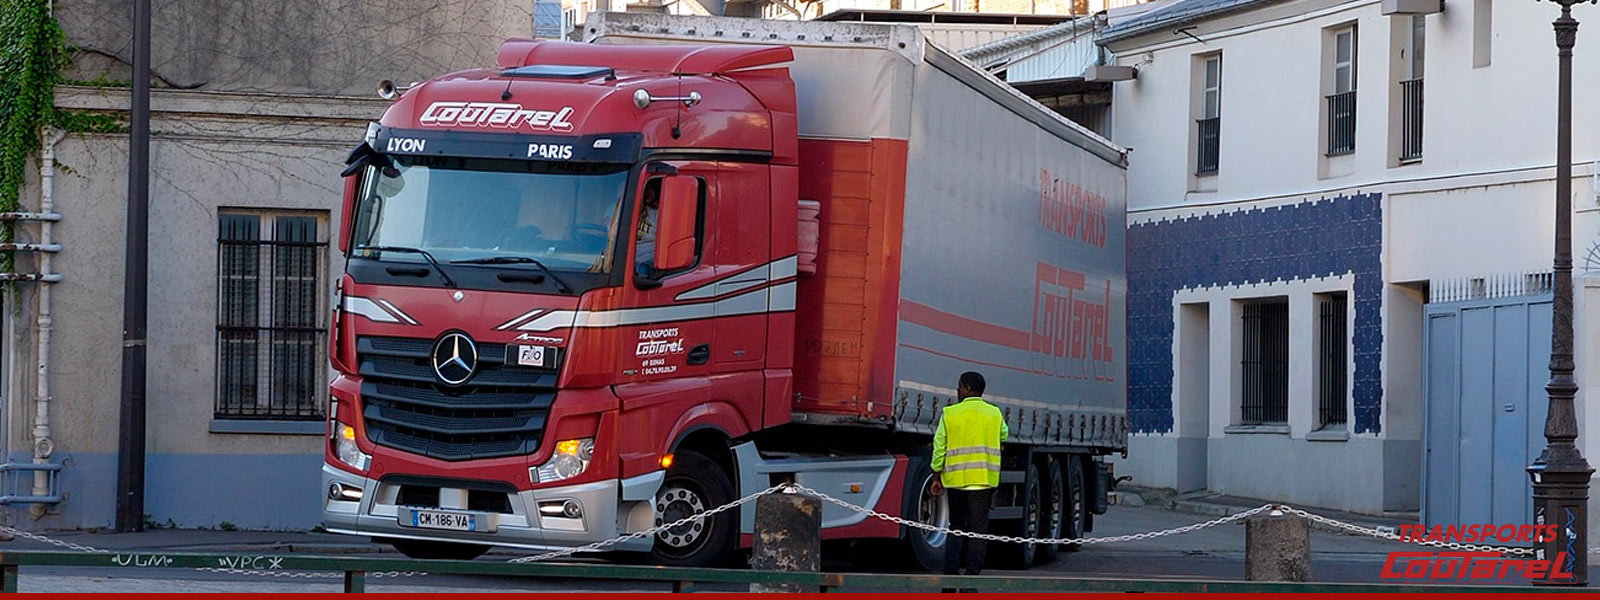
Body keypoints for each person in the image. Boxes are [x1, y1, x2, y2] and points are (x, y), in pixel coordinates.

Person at [930, 371, 1008, 589]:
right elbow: (1004, 435)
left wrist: (937, 477)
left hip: (955, 481)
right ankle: (970, 582)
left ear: (966, 387)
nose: (957, 390)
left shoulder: (950, 414)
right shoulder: (994, 414)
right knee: (977, 532)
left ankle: (950, 578)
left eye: (959, 386)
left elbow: (939, 449)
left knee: (956, 528)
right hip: (983, 481)